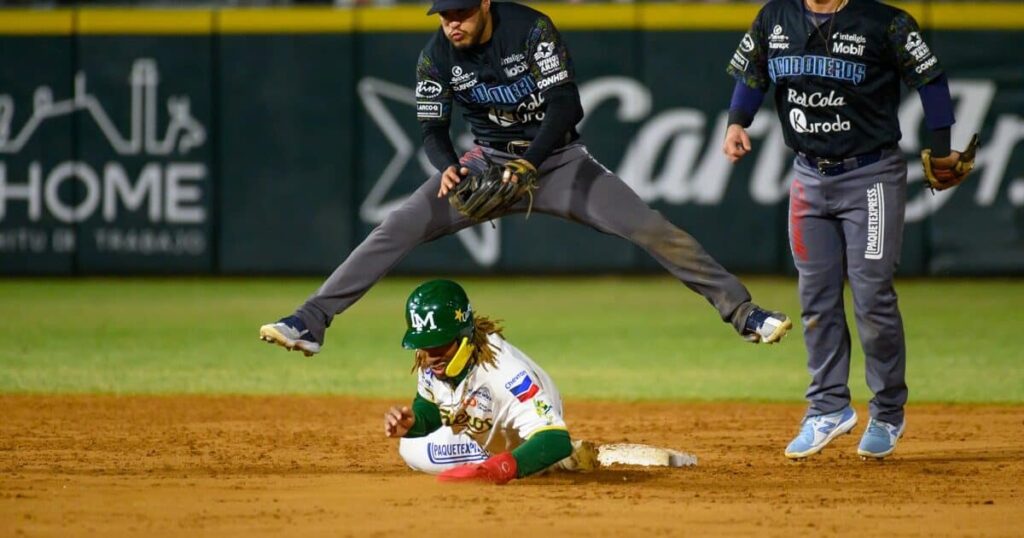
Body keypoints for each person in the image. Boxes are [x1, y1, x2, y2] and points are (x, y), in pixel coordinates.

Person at [260, 0, 792, 359]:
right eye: (444, 14)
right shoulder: (437, 54)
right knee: (396, 226)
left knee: (650, 228)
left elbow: (566, 106)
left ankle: (744, 312)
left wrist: (530, 165)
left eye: (462, 11)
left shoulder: (530, 29)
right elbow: (430, 126)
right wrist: (445, 163)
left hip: (557, 162)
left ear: (486, 3)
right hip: (485, 164)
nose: (453, 23)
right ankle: (311, 322)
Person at [723, 0, 973, 460]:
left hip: (871, 175)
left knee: (872, 294)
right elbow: (754, 70)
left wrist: (941, 147)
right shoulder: (775, 16)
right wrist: (738, 119)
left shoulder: (885, 21)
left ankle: (887, 412)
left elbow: (930, 79)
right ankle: (828, 408)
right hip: (808, 176)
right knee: (816, 297)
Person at [383, 279, 597, 483]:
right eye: (424, 345)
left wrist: (500, 467)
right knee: (409, 445)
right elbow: (432, 403)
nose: (430, 357)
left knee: (418, 452)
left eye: (438, 345)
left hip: (527, 433)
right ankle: (529, 460)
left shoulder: (505, 373)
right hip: (485, 427)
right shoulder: (433, 358)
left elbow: (556, 439)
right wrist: (416, 421)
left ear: (464, 335)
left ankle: (543, 461)